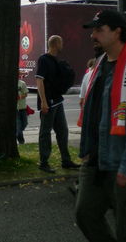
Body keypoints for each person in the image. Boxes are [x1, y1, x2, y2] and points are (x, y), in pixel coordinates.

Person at [76, 10, 126, 242]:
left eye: (99, 30)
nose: (93, 35)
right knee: (85, 214)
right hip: (96, 158)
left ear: (118, 31)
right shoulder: (100, 65)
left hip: (123, 162)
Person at [36, 35, 80, 172]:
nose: (63, 45)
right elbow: (39, 80)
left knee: (63, 131)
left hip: (57, 101)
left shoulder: (55, 60)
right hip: (48, 102)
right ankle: (44, 162)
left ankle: (66, 160)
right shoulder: (44, 60)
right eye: (61, 43)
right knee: (45, 132)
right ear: (56, 44)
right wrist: (43, 101)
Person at [17, 71, 29, 144]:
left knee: (25, 123)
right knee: (18, 126)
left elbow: (26, 94)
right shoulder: (9, 84)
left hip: (22, 107)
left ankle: (16, 132)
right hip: (15, 109)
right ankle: (21, 141)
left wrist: (20, 97)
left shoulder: (22, 83)